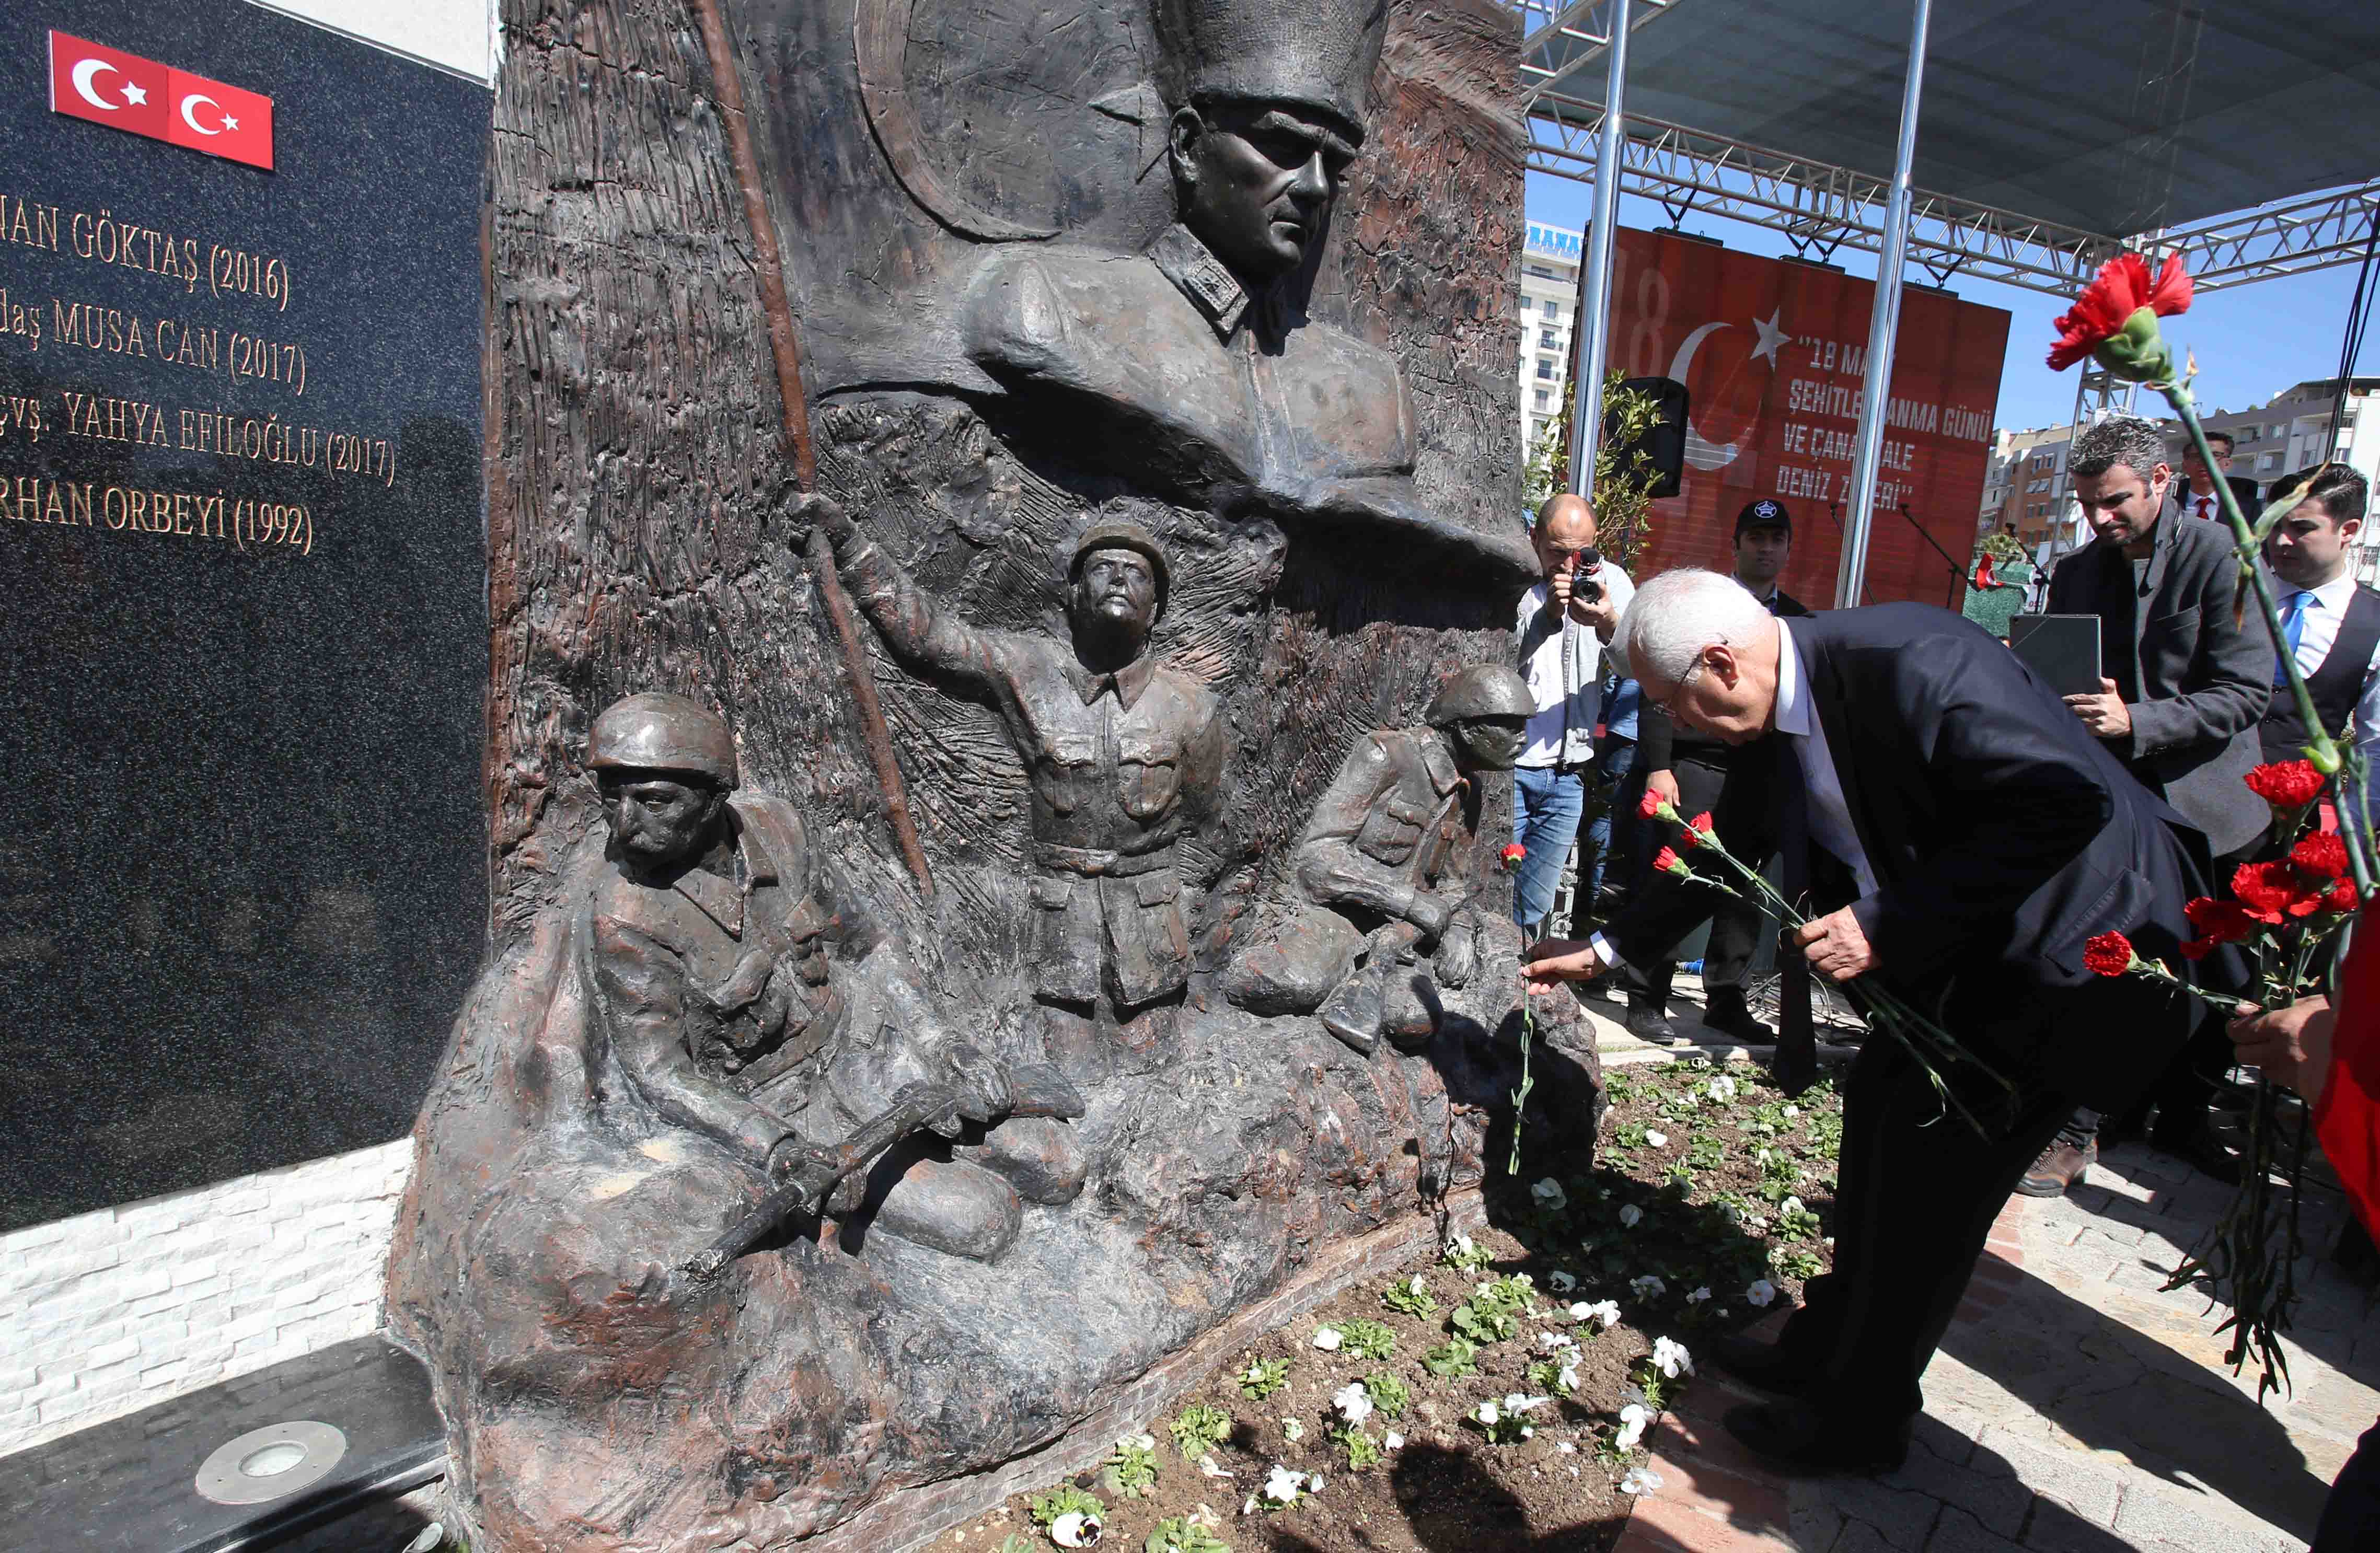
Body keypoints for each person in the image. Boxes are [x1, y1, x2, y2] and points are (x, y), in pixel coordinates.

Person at [1524, 571, 2214, 1473]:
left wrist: (1883, 924)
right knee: (1877, 1131)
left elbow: (2062, 802)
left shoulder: (1913, 664)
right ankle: (1823, 1348)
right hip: (1962, 964)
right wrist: (1612, 950)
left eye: (1673, 704)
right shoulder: (1779, 701)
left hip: (2068, 960)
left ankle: (1860, 1421)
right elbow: (1728, 841)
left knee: (1930, 1195)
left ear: (1722, 663)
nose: (1678, 726)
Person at [583, 692, 1084, 1261]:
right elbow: (659, 1072)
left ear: (714, 797)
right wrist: (778, 1146)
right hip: (788, 1105)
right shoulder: (626, 917)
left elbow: (867, 944)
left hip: (872, 1049)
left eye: (654, 802)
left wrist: (940, 1040)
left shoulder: (777, 827)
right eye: (611, 799)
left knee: (1059, 1165)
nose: (626, 825)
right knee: (986, 1221)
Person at [806, 499, 1224, 1089]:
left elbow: (1209, 825)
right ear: (1073, 594)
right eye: (1103, 568)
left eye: (1138, 575)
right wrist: (849, 544)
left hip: (1152, 930)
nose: (1120, 581)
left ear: (1156, 609)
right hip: (1061, 925)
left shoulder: (1191, 706)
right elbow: (930, 638)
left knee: (1160, 1078)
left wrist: (1195, 917)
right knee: (1065, 1072)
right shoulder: (1027, 665)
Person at [2026, 414, 2274, 1195]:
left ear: (2161, 483)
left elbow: (2244, 693)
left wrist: (2140, 721)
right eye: (2086, 503)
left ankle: (2179, 1119)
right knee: (2108, 968)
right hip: (2117, 812)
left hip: (2209, 816)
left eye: (2114, 502)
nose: (2099, 519)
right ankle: (2077, 1127)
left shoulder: (2221, 560)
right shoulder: (2075, 571)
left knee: (2213, 984)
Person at [1222, 665, 1532, 1051]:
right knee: (1280, 983)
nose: (1523, 739)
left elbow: (1455, 884)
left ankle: (1363, 983)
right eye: (1512, 727)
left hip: (1401, 934)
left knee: (1415, 1021)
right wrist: (1411, 903)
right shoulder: (1387, 756)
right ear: (1469, 729)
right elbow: (1317, 862)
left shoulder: (1468, 790)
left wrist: (1460, 929)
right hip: (1340, 913)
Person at [1618, 499, 1812, 1045]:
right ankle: (1645, 994)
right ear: (1736, 544)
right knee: (1674, 871)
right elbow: (1658, 694)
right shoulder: (1704, 606)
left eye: (1776, 539)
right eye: (1755, 537)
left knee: (1746, 887)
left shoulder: (1795, 618)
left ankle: (1727, 998)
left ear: (1788, 548)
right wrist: (1659, 767)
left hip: (1761, 770)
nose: (1765, 547)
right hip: (1696, 762)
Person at [1511, 492, 1634, 934]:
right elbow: (1501, 662)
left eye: (1580, 553)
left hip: (1568, 773)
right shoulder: (1515, 582)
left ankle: (1517, 993)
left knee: (1534, 905)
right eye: (1557, 553)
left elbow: (1635, 665)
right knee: (1490, 890)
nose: (1568, 566)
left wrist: (1608, 622)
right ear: (1534, 539)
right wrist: (1547, 615)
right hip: (1512, 768)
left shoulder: (1611, 581)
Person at [2258, 465, 2380, 785]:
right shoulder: (2235, 596)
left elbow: (2374, 744)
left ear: (2348, 530)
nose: (2281, 541)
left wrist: (2353, 828)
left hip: (2298, 812)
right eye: (2274, 526)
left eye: (2302, 528)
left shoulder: (2374, 621)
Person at [2179, 430, 2261, 523]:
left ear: (2227, 464)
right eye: (2197, 456)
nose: (2204, 462)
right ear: (2184, 465)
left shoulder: (2248, 509)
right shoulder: (2167, 507)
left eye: (2215, 455)